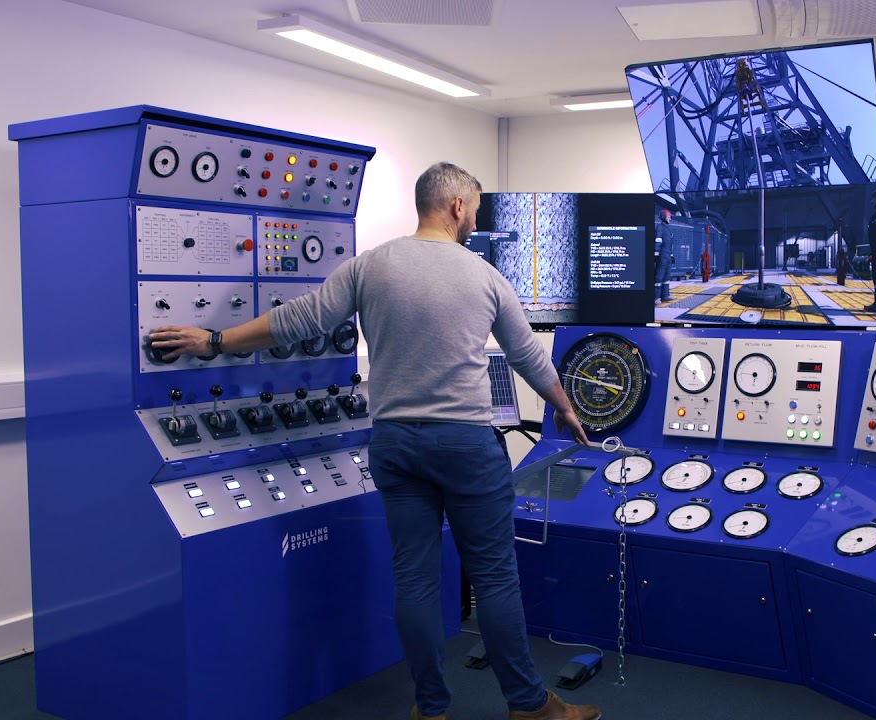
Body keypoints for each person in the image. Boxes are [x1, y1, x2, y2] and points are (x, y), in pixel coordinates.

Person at [149, 163, 600, 720]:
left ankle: (430, 709)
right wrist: (564, 407)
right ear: (457, 206)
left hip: (392, 442)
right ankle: (531, 708)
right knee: (494, 577)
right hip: (464, 444)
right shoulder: (482, 275)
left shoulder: (369, 267)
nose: (474, 218)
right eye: (475, 208)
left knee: (413, 578)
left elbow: (296, 322)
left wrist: (214, 339)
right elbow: (530, 357)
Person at [654, 209, 673, 303]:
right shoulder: (660, 228)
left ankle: (665, 295)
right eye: (668, 216)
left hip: (667, 256)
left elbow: (670, 244)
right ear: (663, 217)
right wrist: (656, 254)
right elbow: (658, 241)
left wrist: (672, 255)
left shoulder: (668, 230)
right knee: (659, 277)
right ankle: (656, 297)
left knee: (667, 277)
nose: (670, 218)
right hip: (662, 256)